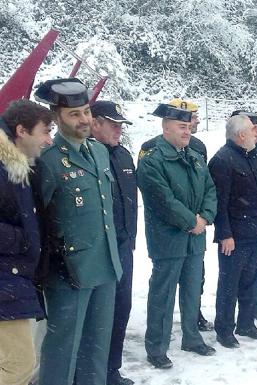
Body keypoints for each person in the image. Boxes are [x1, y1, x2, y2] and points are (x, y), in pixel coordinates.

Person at [33, 78, 123, 385]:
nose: (84, 119)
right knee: (62, 353)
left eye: (86, 111)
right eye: (74, 114)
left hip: (105, 265)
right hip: (68, 273)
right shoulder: (47, 161)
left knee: (96, 351)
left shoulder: (99, 152)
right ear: (57, 117)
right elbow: (37, 221)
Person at [137, 104, 217, 369]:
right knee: (163, 295)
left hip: (194, 240)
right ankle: (156, 347)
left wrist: (204, 217)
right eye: (182, 127)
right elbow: (162, 200)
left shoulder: (194, 156)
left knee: (193, 291)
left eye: (189, 126)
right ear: (166, 127)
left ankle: (192, 338)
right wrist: (191, 221)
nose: (187, 131)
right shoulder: (152, 159)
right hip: (168, 240)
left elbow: (210, 189)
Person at [208, 115, 257, 348]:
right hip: (234, 237)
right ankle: (224, 330)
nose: (256, 132)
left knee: (252, 282)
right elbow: (220, 202)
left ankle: (246, 324)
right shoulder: (222, 160)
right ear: (241, 135)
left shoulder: (253, 156)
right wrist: (225, 234)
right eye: (251, 129)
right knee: (229, 285)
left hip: (256, 232)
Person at [0, 100, 52, 385]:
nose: (48, 139)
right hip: (6, 279)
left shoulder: (16, 165)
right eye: (45, 131)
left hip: (14, 278)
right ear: (21, 130)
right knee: (20, 364)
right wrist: (23, 239)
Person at [90, 101, 137, 385]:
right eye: (113, 124)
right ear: (94, 123)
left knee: (121, 307)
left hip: (123, 246)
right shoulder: (88, 157)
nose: (119, 130)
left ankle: (111, 369)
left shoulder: (123, 156)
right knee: (97, 315)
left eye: (121, 125)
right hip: (98, 250)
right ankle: (92, 372)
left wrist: (130, 238)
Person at [231, 109, 257, 322]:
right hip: (238, 223)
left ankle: (256, 306)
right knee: (235, 274)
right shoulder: (229, 155)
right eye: (251, 127)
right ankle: (238, 313)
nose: (256, 131)